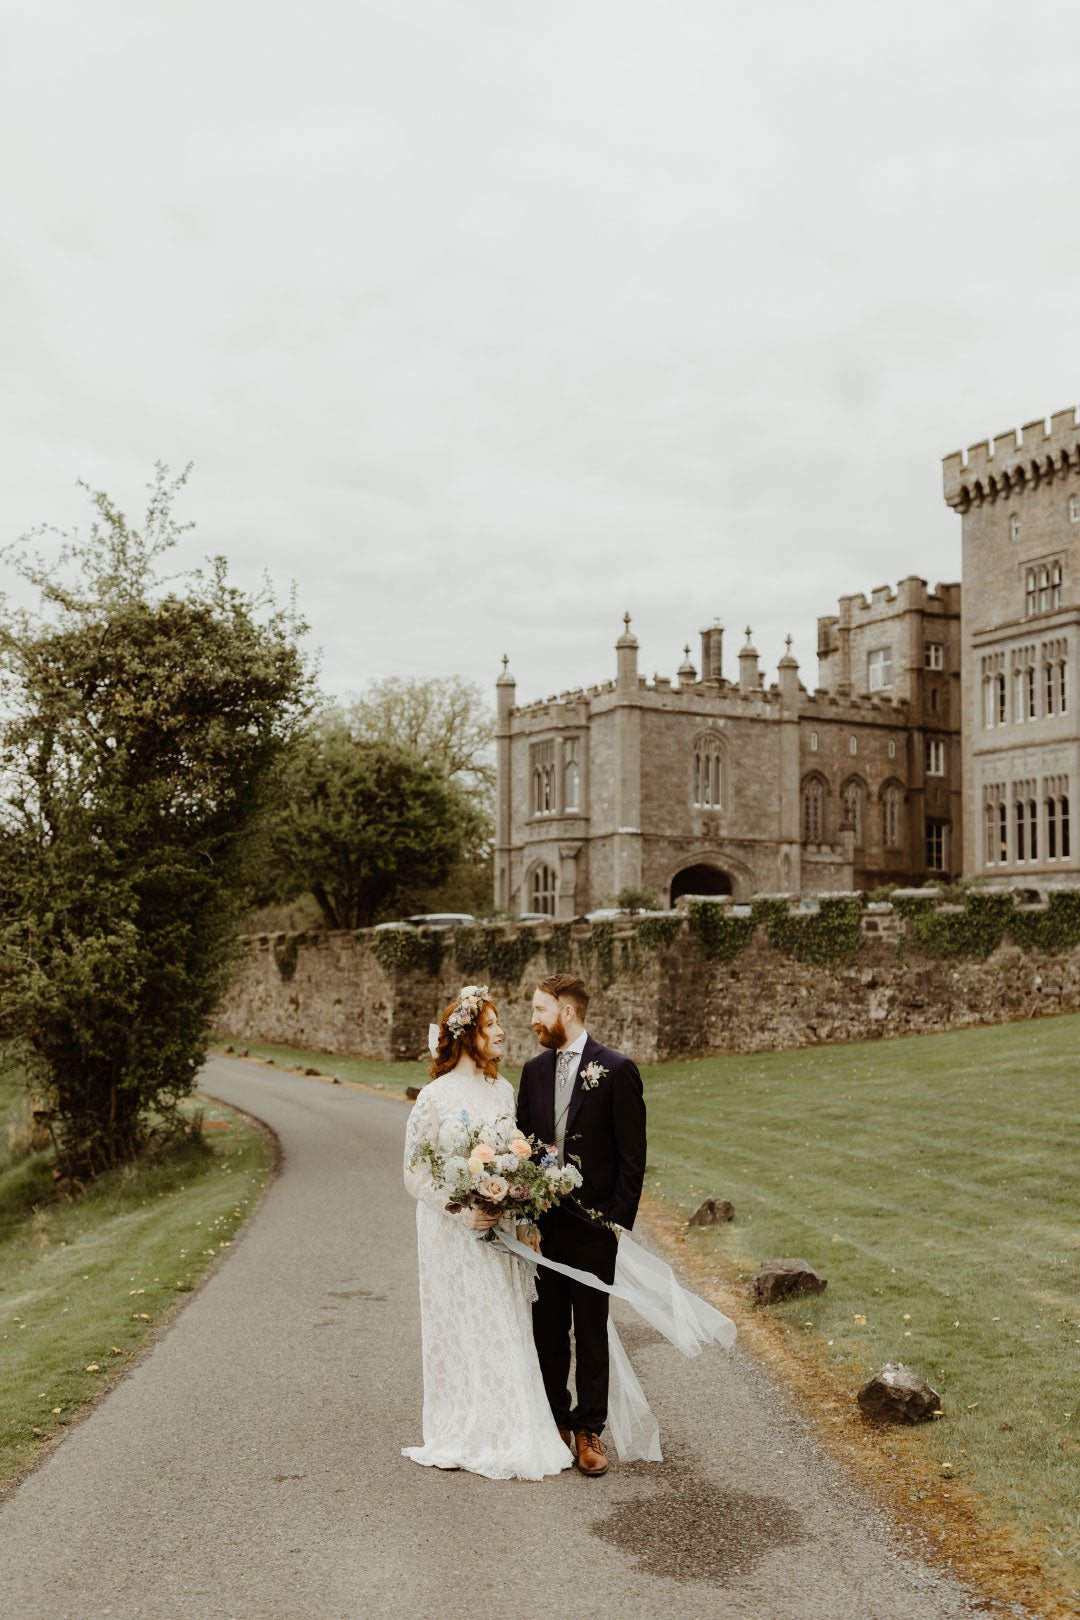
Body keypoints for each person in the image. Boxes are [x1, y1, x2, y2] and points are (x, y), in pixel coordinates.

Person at [401, 987, 574, 1480]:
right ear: (467, 1035)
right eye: (491, 1025)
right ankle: (458, 1425)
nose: (502, 1032)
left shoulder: (503, 1092)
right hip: (449, 1233)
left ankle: (510, 1427)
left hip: (499, 1229)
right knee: (458, 1325)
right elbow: (414, 1173)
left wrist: (523, 1218)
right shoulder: (433, 1097)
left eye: (500, 1024)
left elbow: (514, 1161)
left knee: (501, 1321)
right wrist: (460, 1212)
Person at [516, 973, 647, 1478]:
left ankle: (591, 1429)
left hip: (595, 1228)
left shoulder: (617, 1069)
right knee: (547, 1329)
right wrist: (526, 1217)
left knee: (590, 1329)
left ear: (566, 1011)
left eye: (539, 1010)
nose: (533, 1020)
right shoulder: (531, 1071)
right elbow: (522, 1150)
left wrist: (615, 1225)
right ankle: (556, 1420)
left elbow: (632, 1157)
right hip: (544, 1229)